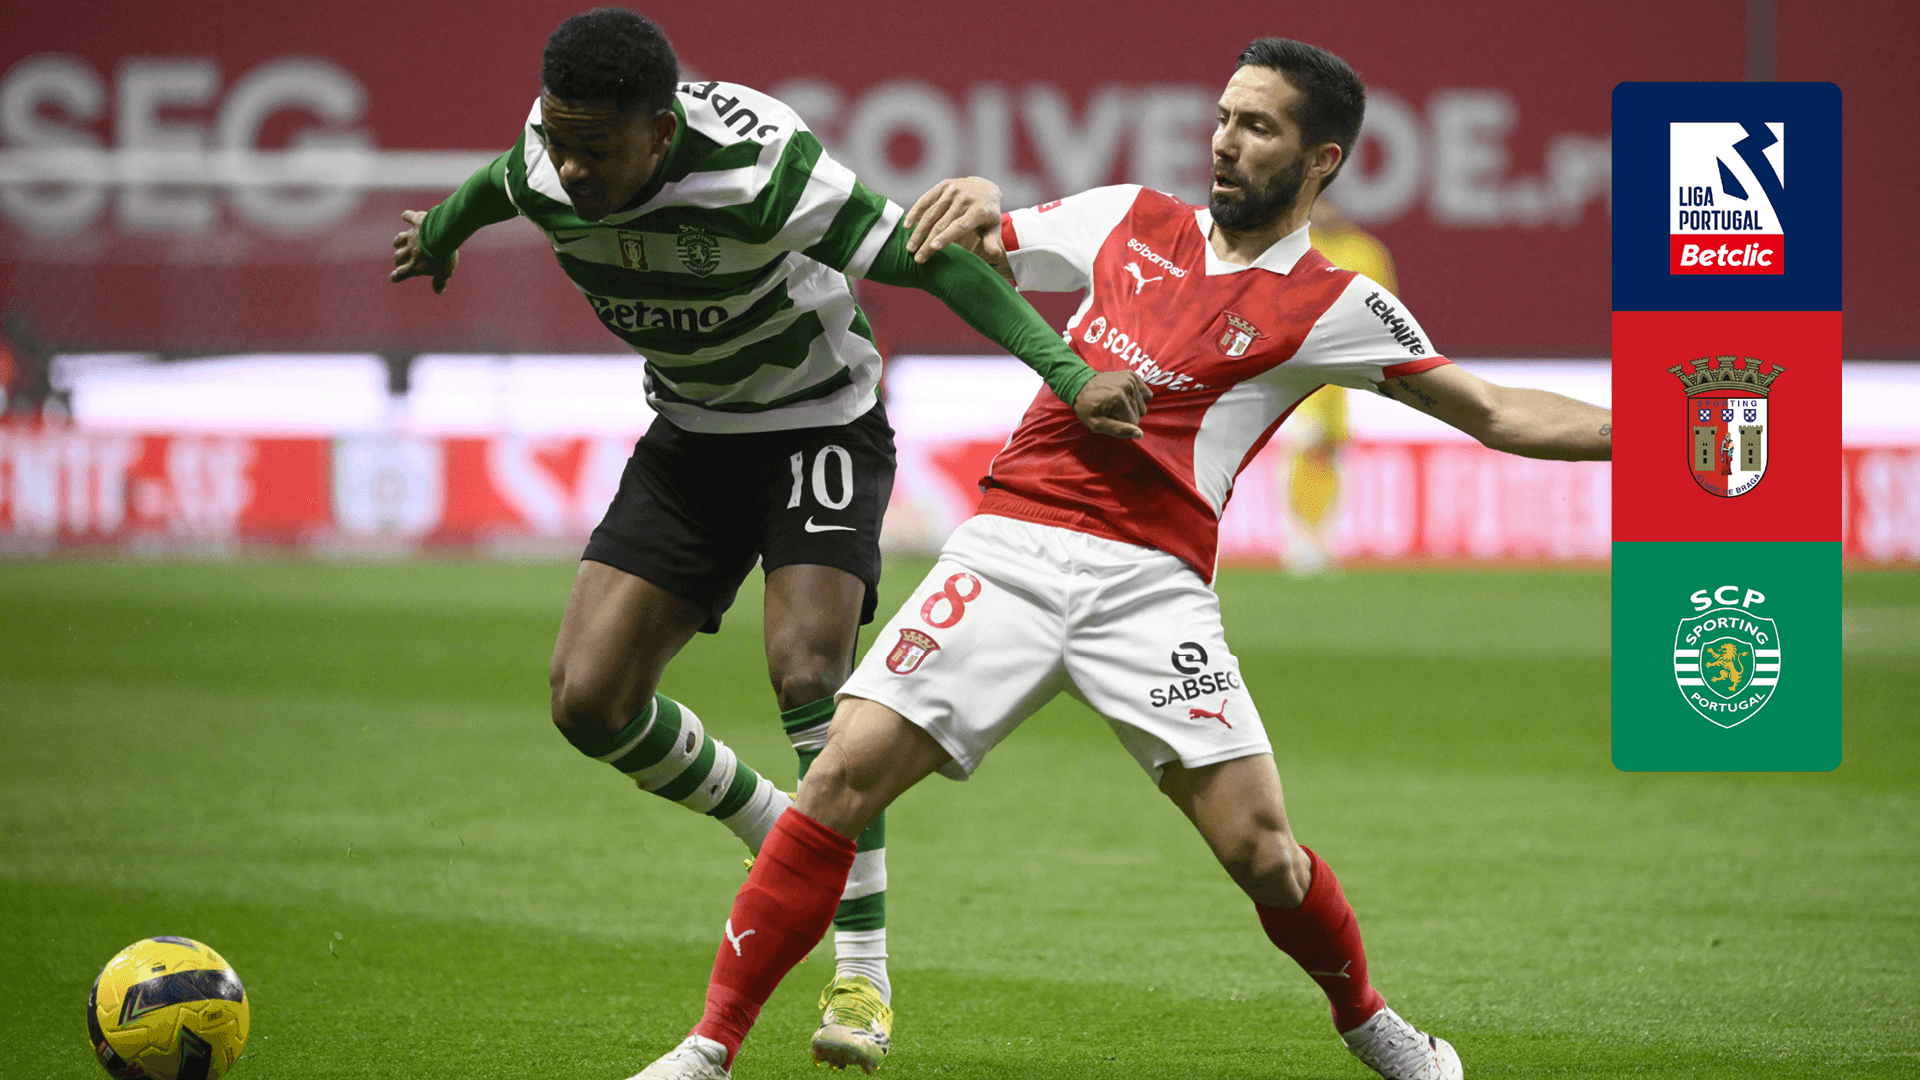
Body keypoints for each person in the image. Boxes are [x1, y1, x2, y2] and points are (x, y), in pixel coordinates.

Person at [631, 35, 1614, 1080]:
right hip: (1007, 554)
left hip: (1152, 588)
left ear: (1320, 160)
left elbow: (1496, 411)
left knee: (1264, 854)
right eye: (1224, 118)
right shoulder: (1128, 217)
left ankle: (1374, 1025)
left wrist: (1653, 434)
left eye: (1258, 126)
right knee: (837, 778)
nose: (1225, 142)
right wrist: (980, 198)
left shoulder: (1336, 303)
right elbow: (977, 248)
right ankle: (709, 1048)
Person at [387, 8, 1144, 1071]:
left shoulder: (761, 167)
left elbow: (930, 263)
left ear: (660, 131)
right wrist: (439, 235)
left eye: (594, 147)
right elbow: (496, 185)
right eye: (558, 140)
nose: (570, 166)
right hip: (690, 439)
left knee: (807, 671)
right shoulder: (549, 158)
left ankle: (863, 976)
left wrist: (1069, 374)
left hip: (818, 423)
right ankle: (774, 826)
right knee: (588, 701)